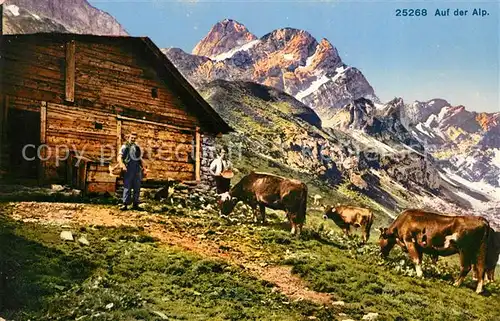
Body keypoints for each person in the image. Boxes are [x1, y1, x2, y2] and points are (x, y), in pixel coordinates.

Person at [118, 132, 146, 211]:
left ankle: (135, 204)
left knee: (137, 187)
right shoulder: (124, 146)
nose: (133, 139)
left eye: (134, 138)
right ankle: (125, 205)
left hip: (137, 169)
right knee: (127, 186)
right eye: (132, 138)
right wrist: (122, 165)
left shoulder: (137, 147)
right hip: (128, 168)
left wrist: (144, 168)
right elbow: (119, 157)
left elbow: (140, 159)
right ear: (128, 138)